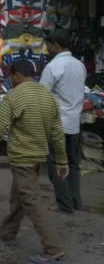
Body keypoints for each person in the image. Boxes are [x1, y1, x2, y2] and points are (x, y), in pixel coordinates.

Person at [0, 60, 69, 264]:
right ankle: (8, 232)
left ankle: (53, 249)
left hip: (22, 158)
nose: (11, 80)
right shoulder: (49, 97)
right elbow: (57, 133)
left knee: (33, 202)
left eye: (11, 77)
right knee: (19, 195)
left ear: (16, 74)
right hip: (37, 157)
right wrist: (62, 161)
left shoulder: (14, 95)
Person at [41, 29, 86, 214]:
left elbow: (42, 96)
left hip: (57, 123)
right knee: (73, 165)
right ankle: (75, 201)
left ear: (56, 45)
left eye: (48, 45)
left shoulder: (53, 67)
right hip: (74, 123)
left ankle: (64, 204)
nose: (47, 48)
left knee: (56, 165)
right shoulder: (79, 65)